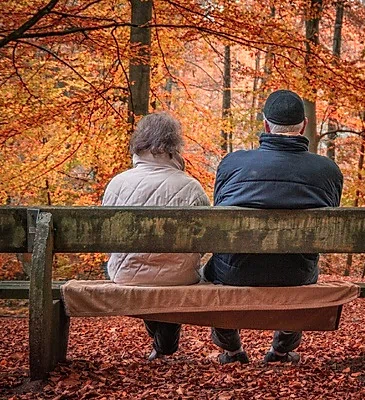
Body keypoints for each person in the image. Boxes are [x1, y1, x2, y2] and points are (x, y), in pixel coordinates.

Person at [204, 89, 343, 364]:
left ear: (266, 125)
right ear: (303, 126)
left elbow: (220, 211)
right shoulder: (327, 171)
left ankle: (232, 350)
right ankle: (281, 350)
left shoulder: (232, 164)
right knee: (300, 267)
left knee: (214, 269)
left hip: (235, 272)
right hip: (295, 273)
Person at [102, 112, 210, 361]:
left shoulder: (117, 184)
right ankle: (165, 345)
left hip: (125, 274)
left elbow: (109, 239)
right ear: (175, 147)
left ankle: (163, 346)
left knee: (146, 276)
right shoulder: (191, 186)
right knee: (171, 275)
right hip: (180, 276)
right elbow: (204, 240)